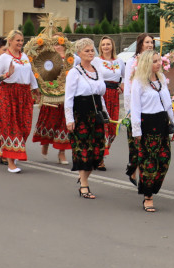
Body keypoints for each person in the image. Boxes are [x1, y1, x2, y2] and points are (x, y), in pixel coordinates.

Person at [129, 50, 174, 212]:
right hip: (147, 124)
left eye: (159, 61)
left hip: (162, 122)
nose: (158, 64)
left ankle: (153, 187)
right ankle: (148, 196)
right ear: (146, 63)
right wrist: (137, 131)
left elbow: (167, 103)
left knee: (164, 160)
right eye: (154, 61)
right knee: (149, 162)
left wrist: (173, 122)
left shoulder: (161, 79)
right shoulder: (138, 82)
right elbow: (135, 107)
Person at [66, 37, 108, 198]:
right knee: (84, 150)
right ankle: (84, 185)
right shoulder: (74, 73)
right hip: (81, 113)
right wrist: (69, 119)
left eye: (92, 50)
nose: (91, 53)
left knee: (97, 151)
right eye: (87, 51)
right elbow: (69, 98)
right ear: (79, 53)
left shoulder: (96, 70)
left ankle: (83, 177)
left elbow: (100, 96)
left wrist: (105, 114)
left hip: (96, 113)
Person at [0, 30, 38, 173]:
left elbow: (30, 72)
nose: (20, 43)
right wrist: (6, 75)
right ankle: (11, 162)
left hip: (24, 94)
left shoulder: (24, 56)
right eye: (17, 40)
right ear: (10, 41)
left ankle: (12, 152)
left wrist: (35, 88)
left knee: (25, 126)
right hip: (8, 93)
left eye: (21, 40)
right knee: (11, 127)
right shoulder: (4, 58)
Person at [32, 41, 72, 165]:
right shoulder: (46, 56)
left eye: (58, 43)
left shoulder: (71, 58)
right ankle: (45, 142)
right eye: (53, 43)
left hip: (65, 94)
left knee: (64, 123)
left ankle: (61, 153)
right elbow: (41, 73)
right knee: (48, 121)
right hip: (49, 93)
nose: (56, 46)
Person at [122, 33, 155, 180]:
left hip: (150, 107)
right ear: (140, 44)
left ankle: (144, 173)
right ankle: (133, 169)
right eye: (147, 42)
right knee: (135, 142)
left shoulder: (155, 61)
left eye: (152, 42)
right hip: (135, 107)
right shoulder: (132, 62)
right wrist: (129, 111)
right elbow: (128, 87)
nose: (150, 45)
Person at [97, 36, 123, 168]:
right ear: (100, 47)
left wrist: (122, 87)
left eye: (108, 44)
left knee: (112, 128)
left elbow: (125, 76)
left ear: (112, 46)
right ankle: (100, 158)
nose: (106, 47)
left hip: (114, 96)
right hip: (102, 94)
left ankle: (103, 153)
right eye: (103, 45)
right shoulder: (97, 61)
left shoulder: (119, 61)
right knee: (103, 126)